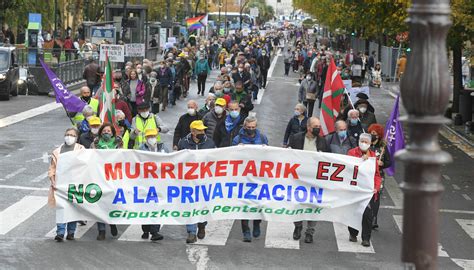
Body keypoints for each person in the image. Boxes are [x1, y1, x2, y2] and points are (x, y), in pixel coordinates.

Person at [288, 117, 330, 243]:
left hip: (315, 180)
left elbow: (330, 159)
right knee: (297, 203)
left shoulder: (323, 141)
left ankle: (310, 232)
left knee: (314, 205)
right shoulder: (296, 138)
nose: (318, 129)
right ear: (308, 127)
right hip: (298, 178)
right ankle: (298, 226)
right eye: (315, 126)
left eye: (319, 126)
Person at [177, 120, 216, 243]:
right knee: (190, 206)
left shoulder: (210, 143)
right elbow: (178, 160)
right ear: (192, 131)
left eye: (203, 130)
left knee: (203, 205)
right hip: (189, 181)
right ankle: (191, 232)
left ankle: (202, 224)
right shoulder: (183, 143)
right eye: (199, 130)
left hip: (205, 181)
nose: (202, 132)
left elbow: (217, 160)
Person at [232, 116, 268, 242]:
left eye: (253, 127)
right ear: (244, 126)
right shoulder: (238, 139)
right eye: (249, 128)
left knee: (258, 203)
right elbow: (231, 157)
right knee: (244, 205)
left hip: (258, 177)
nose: (251, 129)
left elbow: (269, 157)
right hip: (243, 178)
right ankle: (246, 231)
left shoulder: (262, 138)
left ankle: (257, 223)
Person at [48, 127, 85, 242]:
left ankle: (71, 232)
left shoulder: (81, 149)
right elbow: (52, 169)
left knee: (73, 209)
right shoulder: (57, 152)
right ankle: (60, 232)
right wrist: (53, 181)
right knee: (61, 208)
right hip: (60, 185)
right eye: (67, 134)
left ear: (76, 137)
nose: (69, 137)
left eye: (72, 135)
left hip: (76, 184)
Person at [347, 133, 382, 247]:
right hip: (355, 189)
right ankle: (353, 233)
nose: (363, 143)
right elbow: (348, 167)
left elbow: (377, 175)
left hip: (368, 191)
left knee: (368, 215)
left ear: (370, 143)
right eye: (362, 141)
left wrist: (376, 187)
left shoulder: (373, 157)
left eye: (366, 142)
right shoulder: (352, 153)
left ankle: (366, 238)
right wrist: (361, 160)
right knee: (354, 212)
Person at [91, 123, 122, 240]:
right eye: (104, 131)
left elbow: (123, 157)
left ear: (113, 132)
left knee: (111, 202)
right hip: (99, 177)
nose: (106, 133)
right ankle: (101, 230)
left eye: (109, 131)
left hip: (113, 177)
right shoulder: (95, 144)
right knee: (100, 203)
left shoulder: (118, 143)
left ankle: (112, 223)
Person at [138, 128, 166, 241]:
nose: (151, 139)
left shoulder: (163, 148)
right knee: (146, 207)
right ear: (145, 138)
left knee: (157, 206)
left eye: (153, 136)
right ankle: (145, 229)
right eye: (149, 137)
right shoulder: (141, 149)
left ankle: (155, 232)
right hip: (146, 183)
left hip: (159, 183)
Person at [367, 124, 391, 229]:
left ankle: (373, 218)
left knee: (375, 197)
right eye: (371, 133)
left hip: (378, 175)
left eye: (374, 134)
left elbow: (389, 162)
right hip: (366, 175)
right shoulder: (365, 145)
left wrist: (382, 164)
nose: (372, 135)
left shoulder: (383, 148)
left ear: (378, 135)